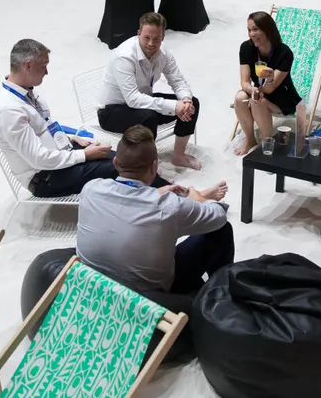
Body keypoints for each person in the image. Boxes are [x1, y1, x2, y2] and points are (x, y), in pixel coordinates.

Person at [0, 38, 168, 198]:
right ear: (28, 65)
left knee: (123, 157)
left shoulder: (27, 92)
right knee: (122, 168)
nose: (47, 72)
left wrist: (70, 138)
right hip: (46, 176)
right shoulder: (9, 111)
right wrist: (84, 155)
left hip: (61, 155)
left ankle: (165, 190)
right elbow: (37, 159)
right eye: (43, 66)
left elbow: (44, 127)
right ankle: (168, 196)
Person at [77, 125, 232, 296]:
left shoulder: (90, 189)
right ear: (154, 167)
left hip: (95, 287)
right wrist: (199, 199)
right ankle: (222, 297)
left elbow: (129, 202)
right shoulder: (169, 207)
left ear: (115, 162)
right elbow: (219, 216)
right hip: (147, 297)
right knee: (222, 230)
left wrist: (157, 193)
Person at [99, 12, 203, 170]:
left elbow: (177, 80)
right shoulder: (124, 57)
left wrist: (185, 100)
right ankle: (147, 166)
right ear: (138, 33)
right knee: (149, 117)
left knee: (193, 103)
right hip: (111, 111)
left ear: (163, 37)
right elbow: (133, 99)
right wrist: (174, 106)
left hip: (142, 101)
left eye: (156, 39)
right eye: (147, 37)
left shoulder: (164, 52)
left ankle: (178, 156)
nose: (151, 43)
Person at [233, 11, 301, 156]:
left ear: (268, 30)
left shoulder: (284, 52)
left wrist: (270, 78)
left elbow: (270, 89)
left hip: (282, 96)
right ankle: (250, 140)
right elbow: (244, 82)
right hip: (259, 91)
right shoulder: (246, 48)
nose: (251, 34)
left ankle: (267, 143)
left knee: (258, 101)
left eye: (255, 29)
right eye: (249, 30)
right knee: (239, 98)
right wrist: (251, 89)